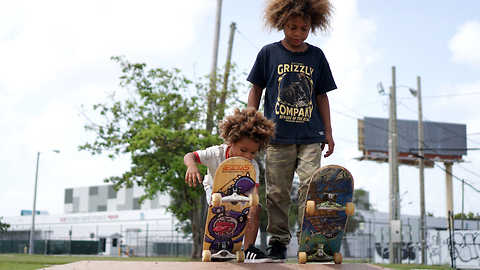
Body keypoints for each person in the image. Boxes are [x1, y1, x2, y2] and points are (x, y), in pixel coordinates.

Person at [246, 0, 337, 263]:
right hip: (277, 137)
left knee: (311, 187)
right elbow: (256, 89)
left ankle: (308, 241)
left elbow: (321, 95)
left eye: (304, 29)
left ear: (312, 26)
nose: (298, 33)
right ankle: (277, 243)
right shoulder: (268, 53)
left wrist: (328, 132)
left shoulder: (316, 56)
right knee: (277, 192)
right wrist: (252, 124)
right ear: (281, 23)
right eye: (292, 27)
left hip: (310, 136)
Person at [184, 107, 275, 263]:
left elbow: (255, 190)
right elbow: (191, 155)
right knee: (219, 206)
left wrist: (250, 212)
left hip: (240, 194)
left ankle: (248, 250)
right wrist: (192, 166)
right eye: (244, 150)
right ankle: (217, 243)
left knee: (257, 207)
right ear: (231, 141)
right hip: (214, 189)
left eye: (253, 152)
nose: (248, 156)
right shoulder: (216, 153)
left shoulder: (252, 165)